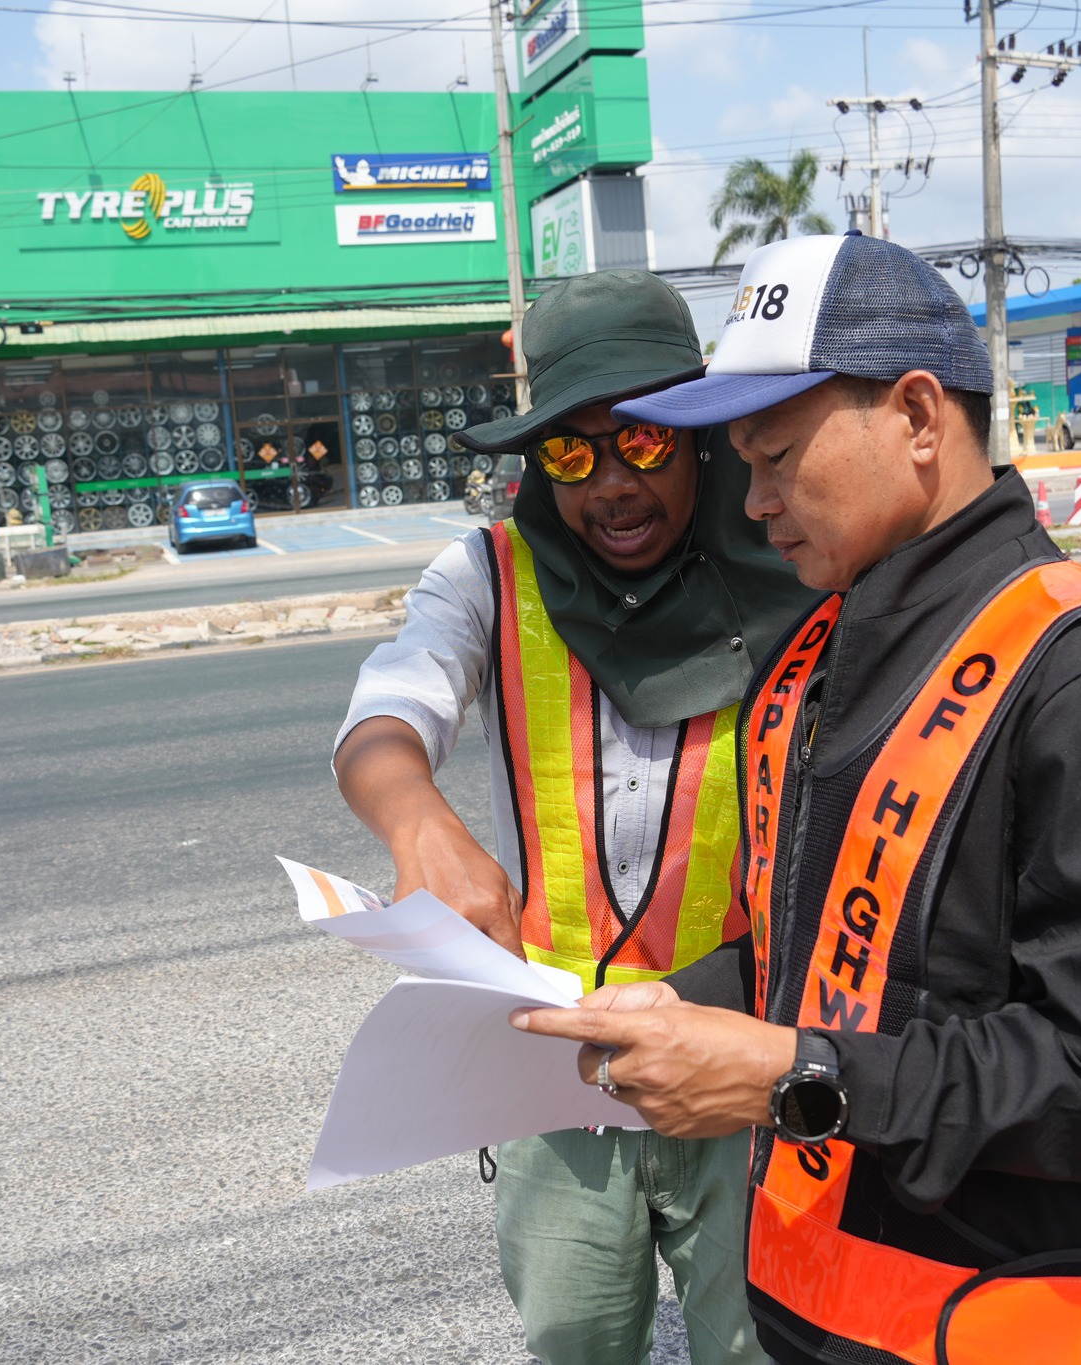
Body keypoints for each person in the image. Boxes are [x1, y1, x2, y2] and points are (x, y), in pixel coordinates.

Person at [515, 233, 1081, 1365]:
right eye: (740, 464)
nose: (753, 501)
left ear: (916, 416)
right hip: (812, 1320)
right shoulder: (817, 654)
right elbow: (816, 957)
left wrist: (789, 1078)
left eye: (775, 457)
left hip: (996, 1332)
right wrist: (674, 1006)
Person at [332, 269, 815, 1365]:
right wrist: (417, 821)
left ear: (700, 437)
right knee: (576, 1342)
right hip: (560, 1073)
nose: (612, 484)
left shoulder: (791, 574)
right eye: (569, 453)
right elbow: (383, 716)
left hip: (742, 1056)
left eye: (642, 441)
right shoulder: (487, 575)